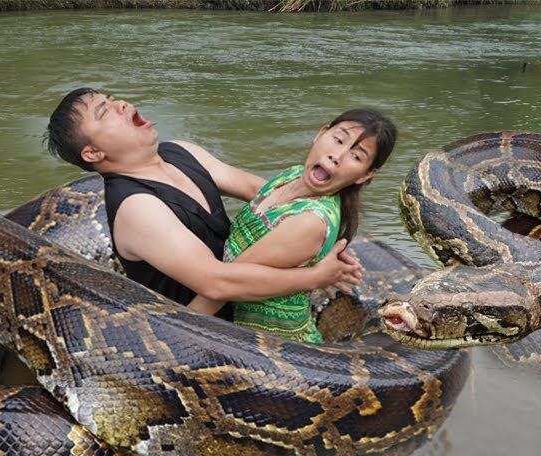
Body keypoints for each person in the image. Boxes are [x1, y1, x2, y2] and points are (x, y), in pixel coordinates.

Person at [44, 88, 362, 320]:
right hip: (201, 335)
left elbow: (263, 192)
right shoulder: (136, 207)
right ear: (93, 153)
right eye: (105, 111)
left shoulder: (181, 151)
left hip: (250, 303)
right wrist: (317, 277)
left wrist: (324, 235)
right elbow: (217, 283)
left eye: (114, 99)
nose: (121, 104)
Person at [188, 109, 396, 343]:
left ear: (364, 176)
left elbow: (223, 287)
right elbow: (250, 195)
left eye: (356, 156)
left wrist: (178, 332)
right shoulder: (292, 176)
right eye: (338, 139)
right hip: (237, 323)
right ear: (321, 133)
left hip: (273, 346)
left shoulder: (309, 222)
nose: (336, 155)